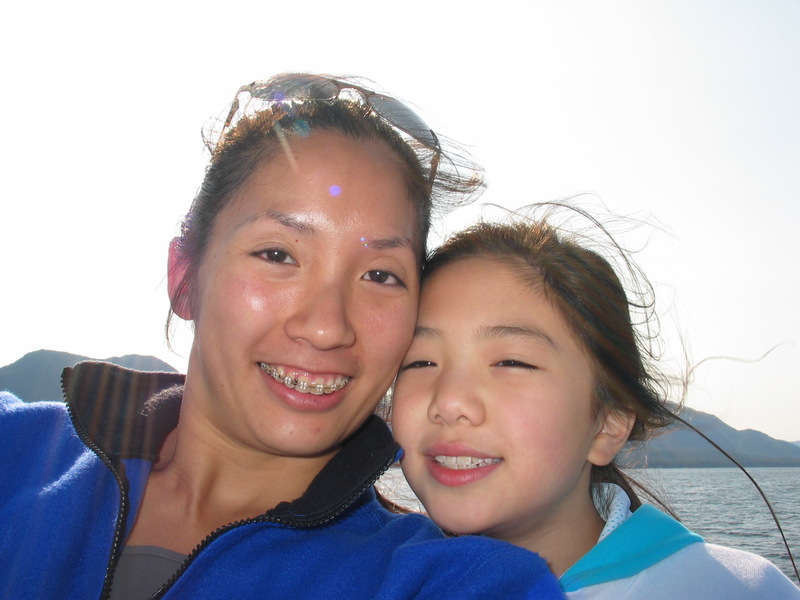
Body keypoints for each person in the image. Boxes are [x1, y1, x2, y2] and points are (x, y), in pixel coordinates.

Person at [0, 75, 564, 599]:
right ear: (185, 278)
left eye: (380, 275)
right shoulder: (17, 453)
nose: (326, 327)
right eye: (277, 254)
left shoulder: (450, 584)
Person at [391, 208, 800, 599]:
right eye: (419, 361)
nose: (450, 400)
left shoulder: (733, 589)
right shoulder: (377, 579)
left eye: (511, 362)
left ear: (607, 424)